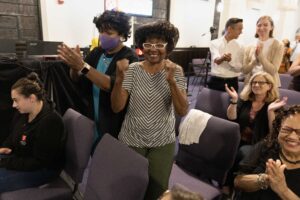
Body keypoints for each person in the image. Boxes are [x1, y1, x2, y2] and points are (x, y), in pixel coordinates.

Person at [111, 21, 188, 200]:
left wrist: (171, 82)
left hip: (162, 140)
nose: (153, 49)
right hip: (132, 137)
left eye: (160, 44)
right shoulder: (132, 70)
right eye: (148, 44)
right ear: (141, 47)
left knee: (157, 190)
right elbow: (117, 107)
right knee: (129, 187)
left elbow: (182, 110)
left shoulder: (176, 71)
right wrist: (119, 79)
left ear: (168, 47)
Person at [57, 10, 138, 147]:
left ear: (122, 35)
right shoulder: (97, 52)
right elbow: (77, 78)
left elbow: (109, 84)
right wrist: (74, 67)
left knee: (109, 155)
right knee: (93, 150)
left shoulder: (129, 57)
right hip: (91, 114)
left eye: (109, 33)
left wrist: (82, 65)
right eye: (101, 31)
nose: (103, 36)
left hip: (112, 119)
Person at [0, 73, 66, 193]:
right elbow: (12, 135)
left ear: (31, 98)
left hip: (43, 169)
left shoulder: (51, 122)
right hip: (22, 158)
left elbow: (38, 162)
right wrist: (5, 147)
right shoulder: (24, 112)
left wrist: (5, 162)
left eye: (16, 100)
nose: (13, 105)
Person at [234, 105, 300, 200]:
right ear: (278, 130)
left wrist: (282, 190)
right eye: (286, 130)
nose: (292, 137)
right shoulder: (267, 145)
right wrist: (264, 179)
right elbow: (238, 182)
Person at [225, 71, 281, 146]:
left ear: (269, 86)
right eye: (254, 82)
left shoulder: (275, 105)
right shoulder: (245, 99)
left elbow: (274, 132)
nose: (256, 85)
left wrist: (270, 111)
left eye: (261, 82)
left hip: (259, 144)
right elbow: (231, 118)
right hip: (237, 139)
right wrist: (234, 100)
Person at [242, 15, 284, 88]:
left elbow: (273, 71)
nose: (261, 28)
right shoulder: (249, 46)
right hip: (251, 84)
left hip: (269, 85)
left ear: (271, 27)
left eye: (265, 25)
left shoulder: (278, 45)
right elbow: (245, 70)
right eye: (259, 25)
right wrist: (254, 62)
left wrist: (261, 57)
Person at [209, 17, 244, 92]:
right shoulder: (214, 43)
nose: (241, 32)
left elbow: (239, 68)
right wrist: (223, 58)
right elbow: (217, 61)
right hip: (215, 81)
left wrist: (230, 61)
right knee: (212, 104)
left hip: (232, 82)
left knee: (231, 103)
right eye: (239, 29)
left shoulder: (241, 46)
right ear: (230, 29)